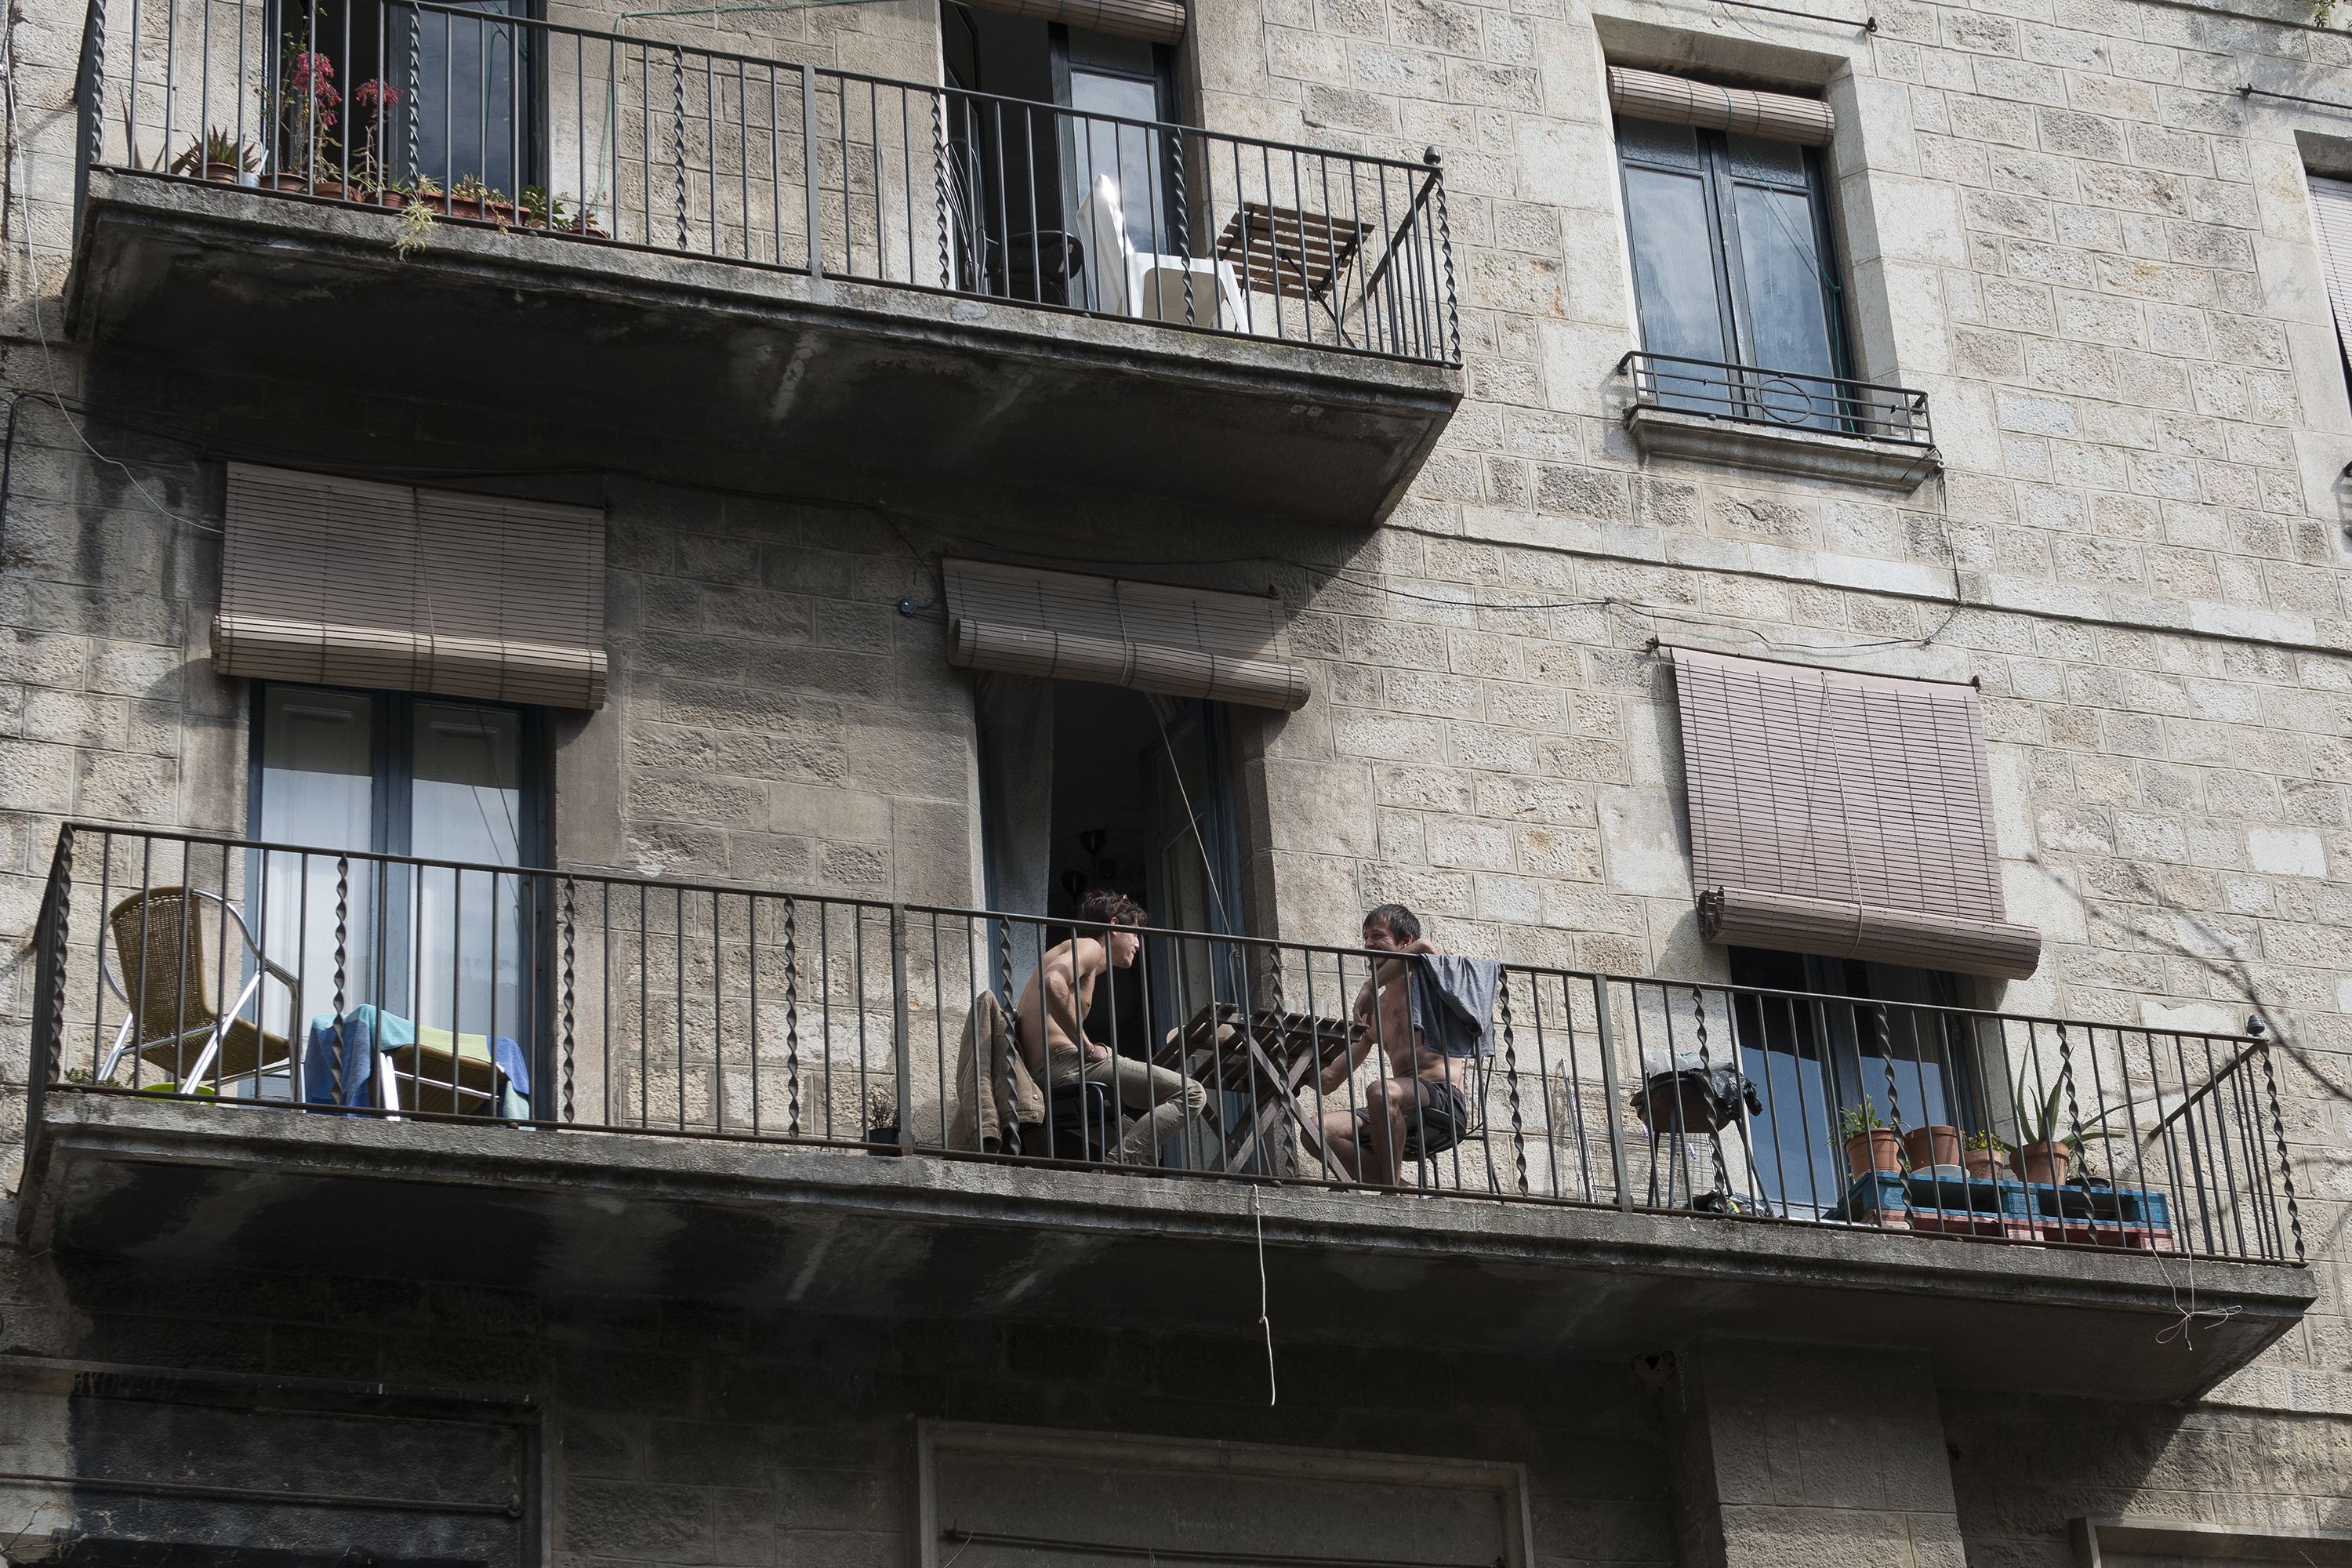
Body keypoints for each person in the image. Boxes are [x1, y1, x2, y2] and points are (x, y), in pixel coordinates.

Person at [1013, 889, 1208, 1165]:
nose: (1138, 945)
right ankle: (1111, 1173)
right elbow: (1052, 983)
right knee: (1191, 1093)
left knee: (1146, 1155)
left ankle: (1110, 1182)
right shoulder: (1089, 946)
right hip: (1065, 1066)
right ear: (1114, 926)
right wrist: (1088, 1047)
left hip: (1046, 1077)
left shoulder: (1076, 954)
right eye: (1136, 934)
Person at [1312, 903, 1496, 1187]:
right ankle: (1401, 1187)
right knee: (1316, 1130)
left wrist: (1369, 986)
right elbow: (1329, 1080)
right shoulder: (1375, 1012)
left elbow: (1425, 948)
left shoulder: (1433, 983)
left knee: (1381, 1090)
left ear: (1404, 942)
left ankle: (1392, 1196)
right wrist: (1286, 1061)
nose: (1367, 944)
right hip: (1391, 1104)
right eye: (1365, 937)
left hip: (1443, 1096)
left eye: (1377, 936)